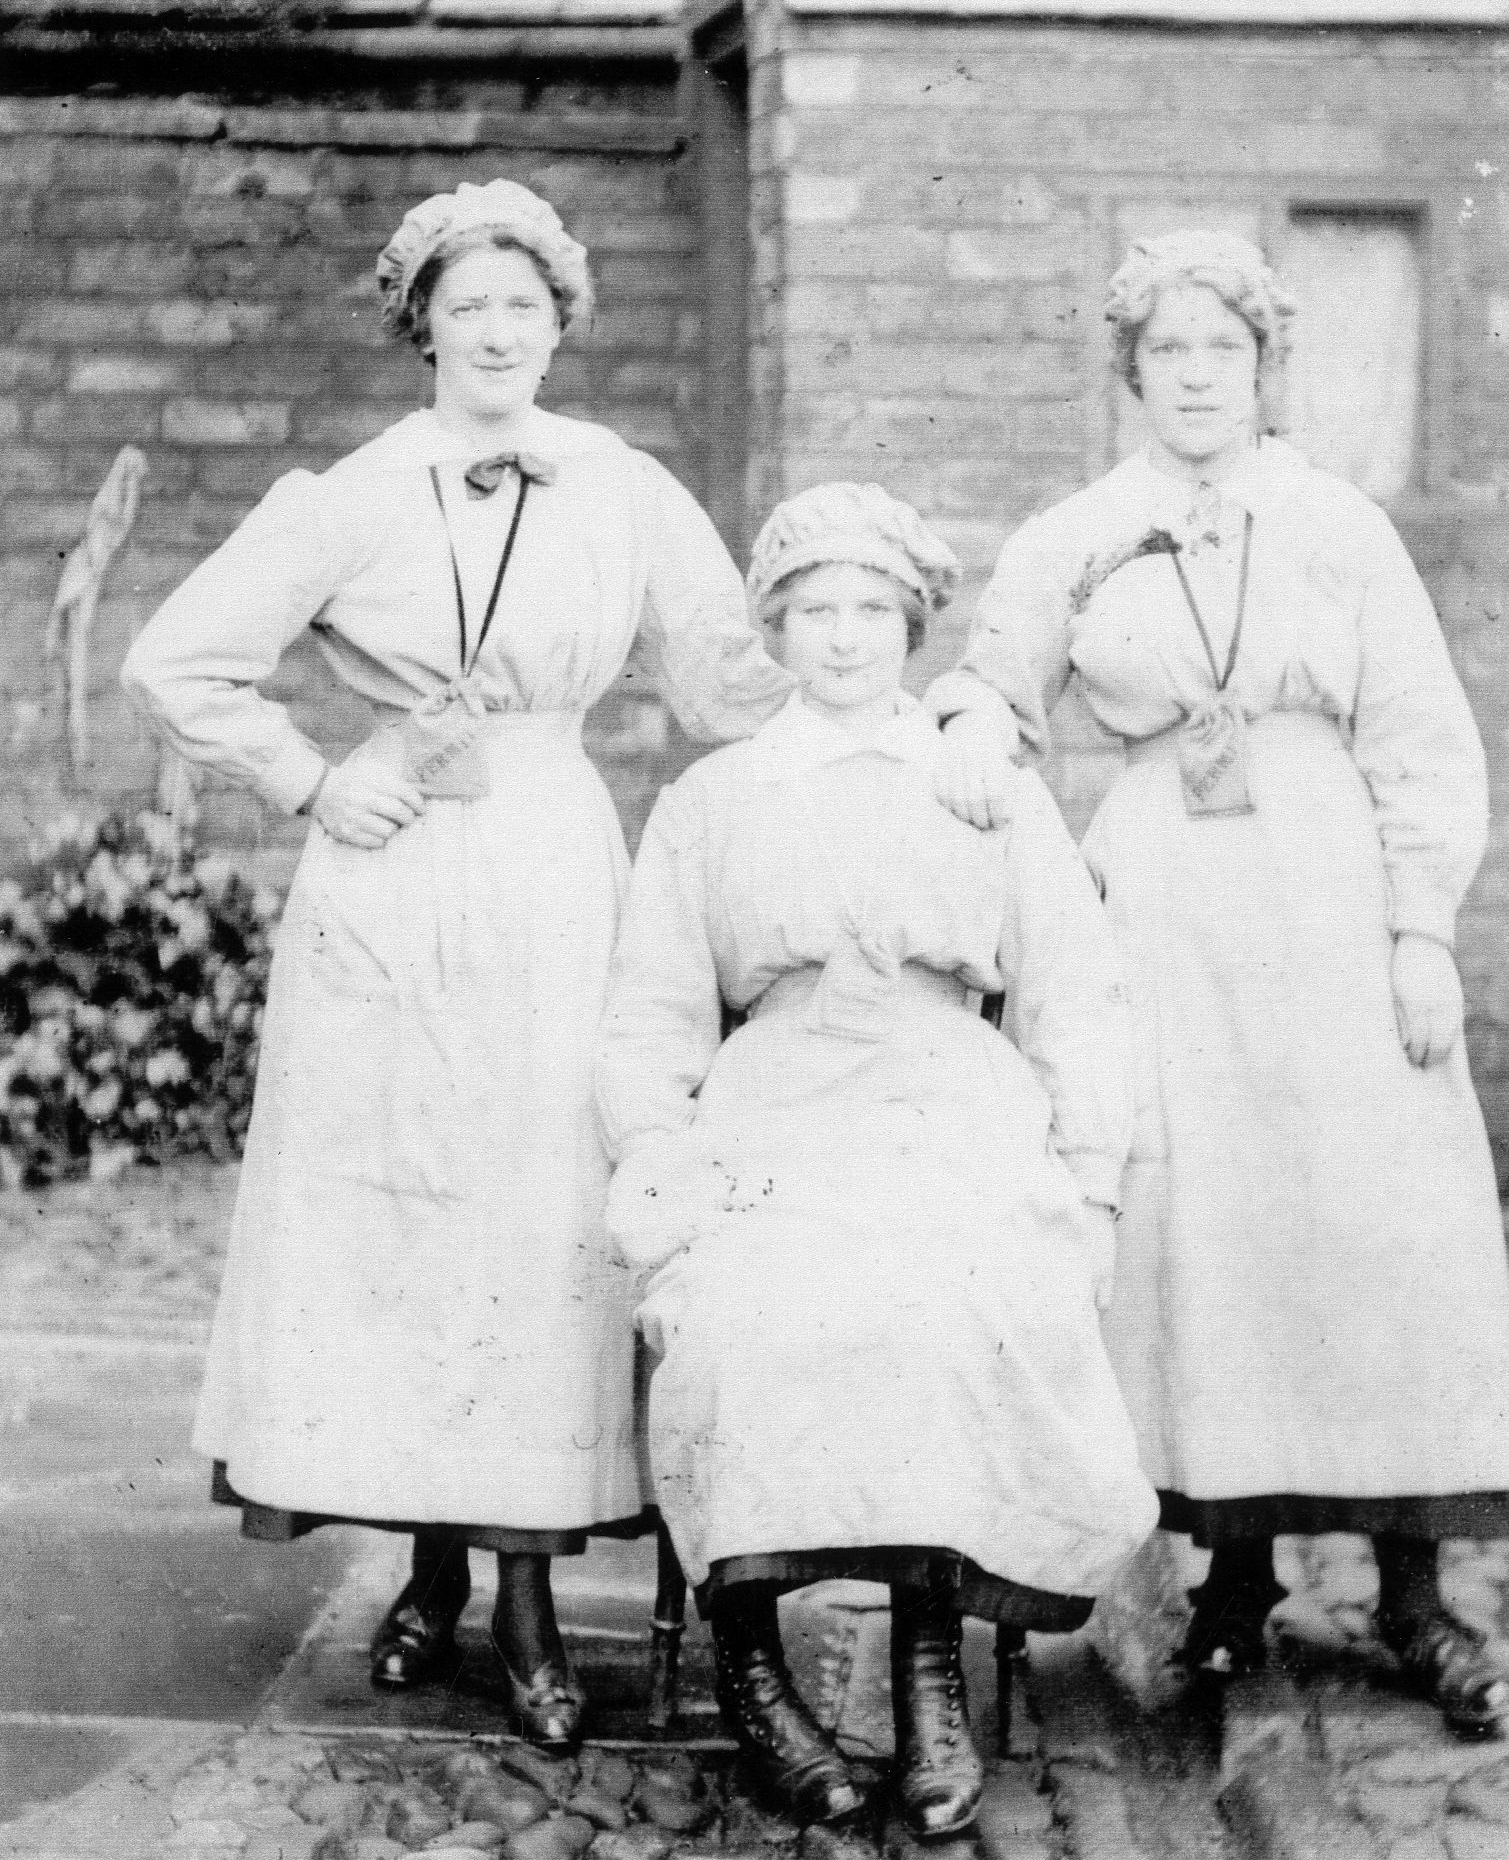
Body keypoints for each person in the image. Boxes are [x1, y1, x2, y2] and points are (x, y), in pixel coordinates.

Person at [120, 182, 1015, 1747]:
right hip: (391, 884)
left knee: (537, 1215)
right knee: (400, 1218)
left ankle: (526, 1600)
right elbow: (176, 661)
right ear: (421, 325)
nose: (497, 332)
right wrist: (317, 779)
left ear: (560, 324)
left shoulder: (618, 486)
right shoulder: (349, 494)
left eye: (524, 308)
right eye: (467, 307)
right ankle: (423, 1570)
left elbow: (739, 679)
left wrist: (917, 717)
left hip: (548, 860)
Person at [930, 229, 1509, 1737]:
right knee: (1206, 1228)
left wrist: (1417, 930)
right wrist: (971, 748)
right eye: (1168, 353)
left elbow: (1418, 737)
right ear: (1127, 371)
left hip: (1324, 898)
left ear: (1264, 369)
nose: (1196, 377)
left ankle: (1412, 1591)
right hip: (1164, 911)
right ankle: (1229, 1582)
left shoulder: (1333, 525)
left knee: (1374, 1222)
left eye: (1223, 352)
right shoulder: (1076, 532)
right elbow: (997, 687)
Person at [596, 482, 1157, 1834]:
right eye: (812, 611)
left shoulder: (983, 790)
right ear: (773, 629)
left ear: (911, 624)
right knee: (738, 1314)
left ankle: (926, 1676)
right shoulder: (715, 799)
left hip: (945, 1095)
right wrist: (660, 1154)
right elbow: (650, 1012)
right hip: (776, 1099)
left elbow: (1075, 999)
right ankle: (750, 1669)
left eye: (869, 610)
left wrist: (1084, 1184)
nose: (842, 639)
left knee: (961, 1303)